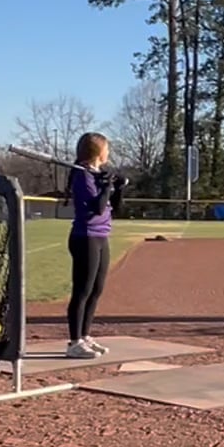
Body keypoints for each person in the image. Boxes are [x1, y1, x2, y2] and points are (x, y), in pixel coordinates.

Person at [65, 132, 125, 358]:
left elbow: (114, 209)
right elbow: (97, 208)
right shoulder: (83, 176)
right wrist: (106, 187)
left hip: (101, 235)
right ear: (98, 152)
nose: (108, 152)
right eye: (106, 148)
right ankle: (74, 342)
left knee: (96, 289)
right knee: (82, 290)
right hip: (85, 236)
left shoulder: (96, 175)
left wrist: (118, 187)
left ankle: (85, 335)